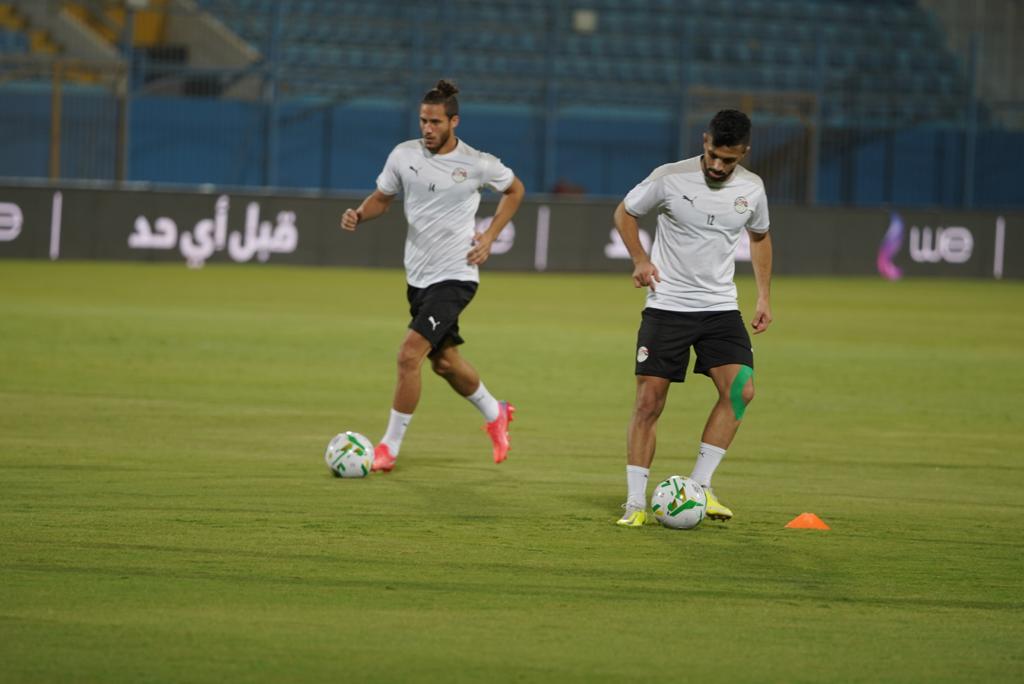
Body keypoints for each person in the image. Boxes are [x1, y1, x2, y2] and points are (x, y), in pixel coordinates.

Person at [340, 80, 525, 473]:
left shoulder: (477, 162)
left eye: (435, 122)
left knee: (409, 355)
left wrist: (490, 236)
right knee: (444, 362)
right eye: (423, 120)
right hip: (418, 276)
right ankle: (497, 412)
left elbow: (515, 190)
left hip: (456, 274)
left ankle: (388, 448)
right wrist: (359, 214)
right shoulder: (403, 155)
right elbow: (382, 199)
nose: (427, 128)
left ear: (454, 122)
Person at [611, 109, 773, 527]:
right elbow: (625, 212)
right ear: (705, 141)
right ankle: (635, 503)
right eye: (714, 155)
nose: (718, 165)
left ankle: (701, 487)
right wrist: (640, 258)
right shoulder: (669, 177)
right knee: (649, 403)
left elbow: (760, 237)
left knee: (741, 391)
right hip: (668, 306)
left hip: (720, 308)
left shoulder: (752, 189)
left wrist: (763, 297)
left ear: (743, 153)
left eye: (728, 160)